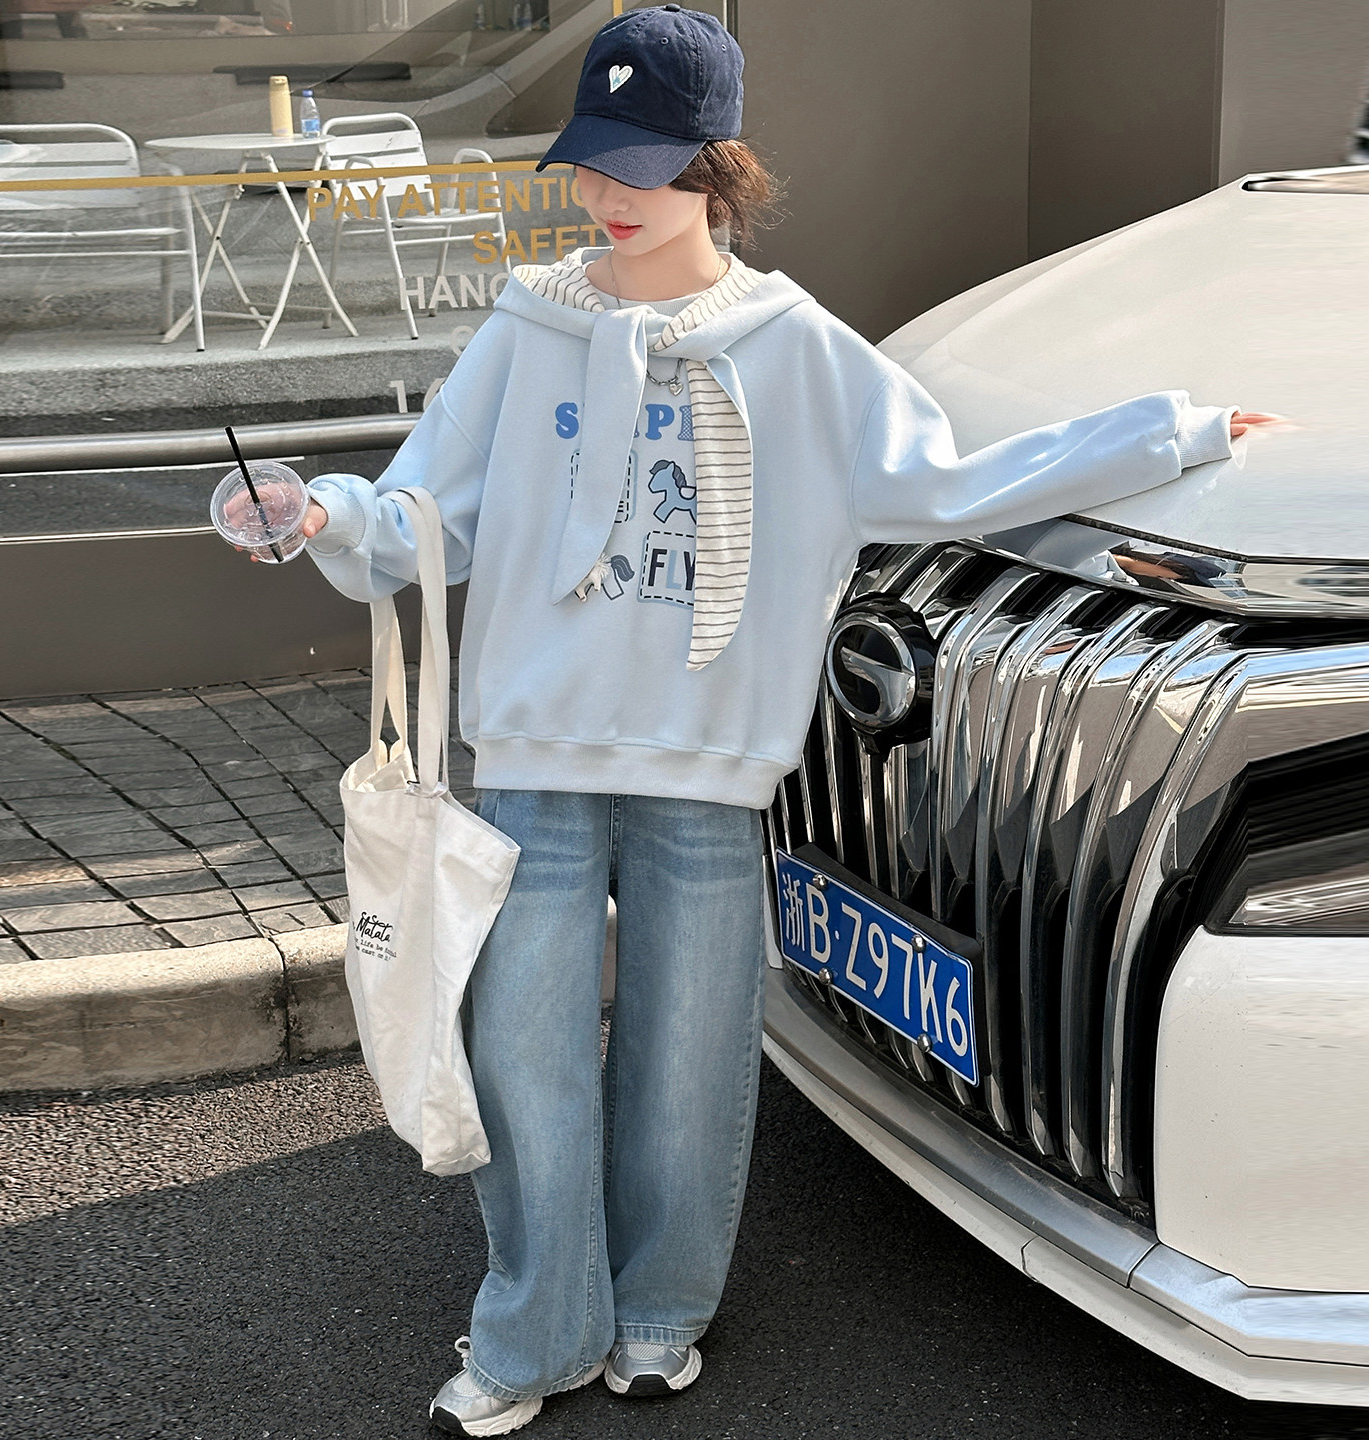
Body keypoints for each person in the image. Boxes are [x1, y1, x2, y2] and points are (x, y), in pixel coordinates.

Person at [290, 7, 1274, 1434]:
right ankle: (533, 1334)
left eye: (644, 166)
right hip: (535, 752)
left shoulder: (795, 346)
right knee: (518, 1057)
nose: (611, 194)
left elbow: (949, 481)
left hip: (710, 768)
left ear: (717, 166)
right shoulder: (528, 328)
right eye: (594, 163)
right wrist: (318, 512)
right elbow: (423, 513)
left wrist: (1171, 431)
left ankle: (657, 1316)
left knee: (688, 1068)